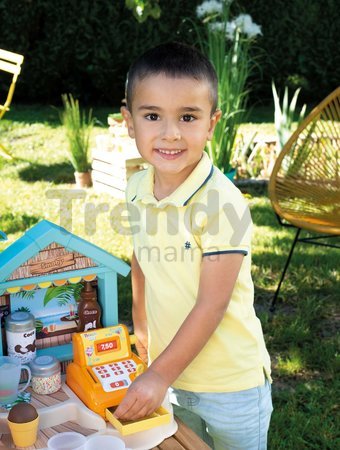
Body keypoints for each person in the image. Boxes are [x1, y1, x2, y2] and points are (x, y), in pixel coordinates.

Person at [115, 42, 273, 450]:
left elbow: (212, 304)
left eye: (188, 117)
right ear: (128, 121)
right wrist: (142, 327)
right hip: (172, 375)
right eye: (152, 116)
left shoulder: (222, 204)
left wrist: (157, 376)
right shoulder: (135, 188)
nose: (170, 133)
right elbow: (141, 259)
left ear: (211, 123)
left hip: (231, 384)